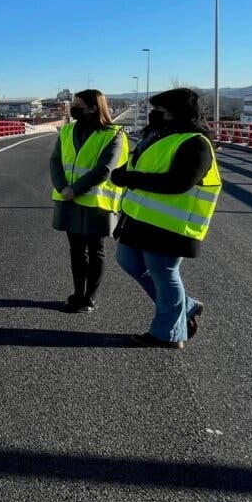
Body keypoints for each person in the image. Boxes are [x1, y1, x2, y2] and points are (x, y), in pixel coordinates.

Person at [109, 88, 220, 349]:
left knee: (164, 273)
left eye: (160, 109)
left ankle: (168, 333)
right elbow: (145, 166)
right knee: (128, 261)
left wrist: (131, 179)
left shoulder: (195, 143)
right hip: (139, 220)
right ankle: (187, 306)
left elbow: (179, 182)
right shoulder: (157, 136)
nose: (154, 114)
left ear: (177, 112)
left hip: (171, 225)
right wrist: (123, 173)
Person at [49, 89, 128, 313]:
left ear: (94, 108)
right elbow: (55, 161)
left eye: (78, 104)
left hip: (96, 202)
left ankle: (90, 297)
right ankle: (77, 293)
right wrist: (62, 187)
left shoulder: (113, 134)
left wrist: (75, 189)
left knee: (95, 250)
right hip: (67, 198)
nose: (73, 108)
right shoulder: (67, 130)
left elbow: (105, 168)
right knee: (76, 249)